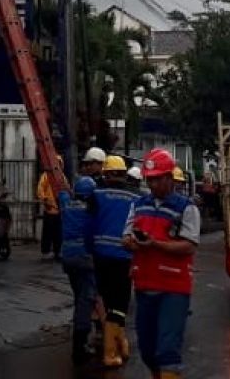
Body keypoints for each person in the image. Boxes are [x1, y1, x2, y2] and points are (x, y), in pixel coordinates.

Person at [124, 148, 200, 379]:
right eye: (150, 180)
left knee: (167, 349)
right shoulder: (138, 205)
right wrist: (133, 243)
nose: (154, 184)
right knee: (147, 350)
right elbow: (125, 237)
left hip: (174, 288)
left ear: (170, 178)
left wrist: (155, 244)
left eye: (158, 179)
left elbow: (189, 245)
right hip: (145, 285)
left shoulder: (186, 208)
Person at [90, 155, 140, 367]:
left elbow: (88, 223)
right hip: (123, 255)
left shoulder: (96, 194)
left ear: (106, 172)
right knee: (120, 304)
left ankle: (118, 343)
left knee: (108, 300)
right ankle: (112, 351)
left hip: (100, 255)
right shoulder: (135, 196)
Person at [58, 176, 99, 364]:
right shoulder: (92, 210)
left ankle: (81, 334)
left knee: (79, 296)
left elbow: (61, 190)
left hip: (68, 257)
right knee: (85, 300)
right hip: (85, 258)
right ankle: (80, 345)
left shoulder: (66, 205)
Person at [37, 157, 63, 261]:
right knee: (47, 233)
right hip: (49, 209)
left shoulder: (62, 177)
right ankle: (46, 251)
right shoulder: (46, 176)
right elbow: (40, 189)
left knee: (58, 233)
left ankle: (57, 251)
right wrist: (45, 199)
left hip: (58, 210)